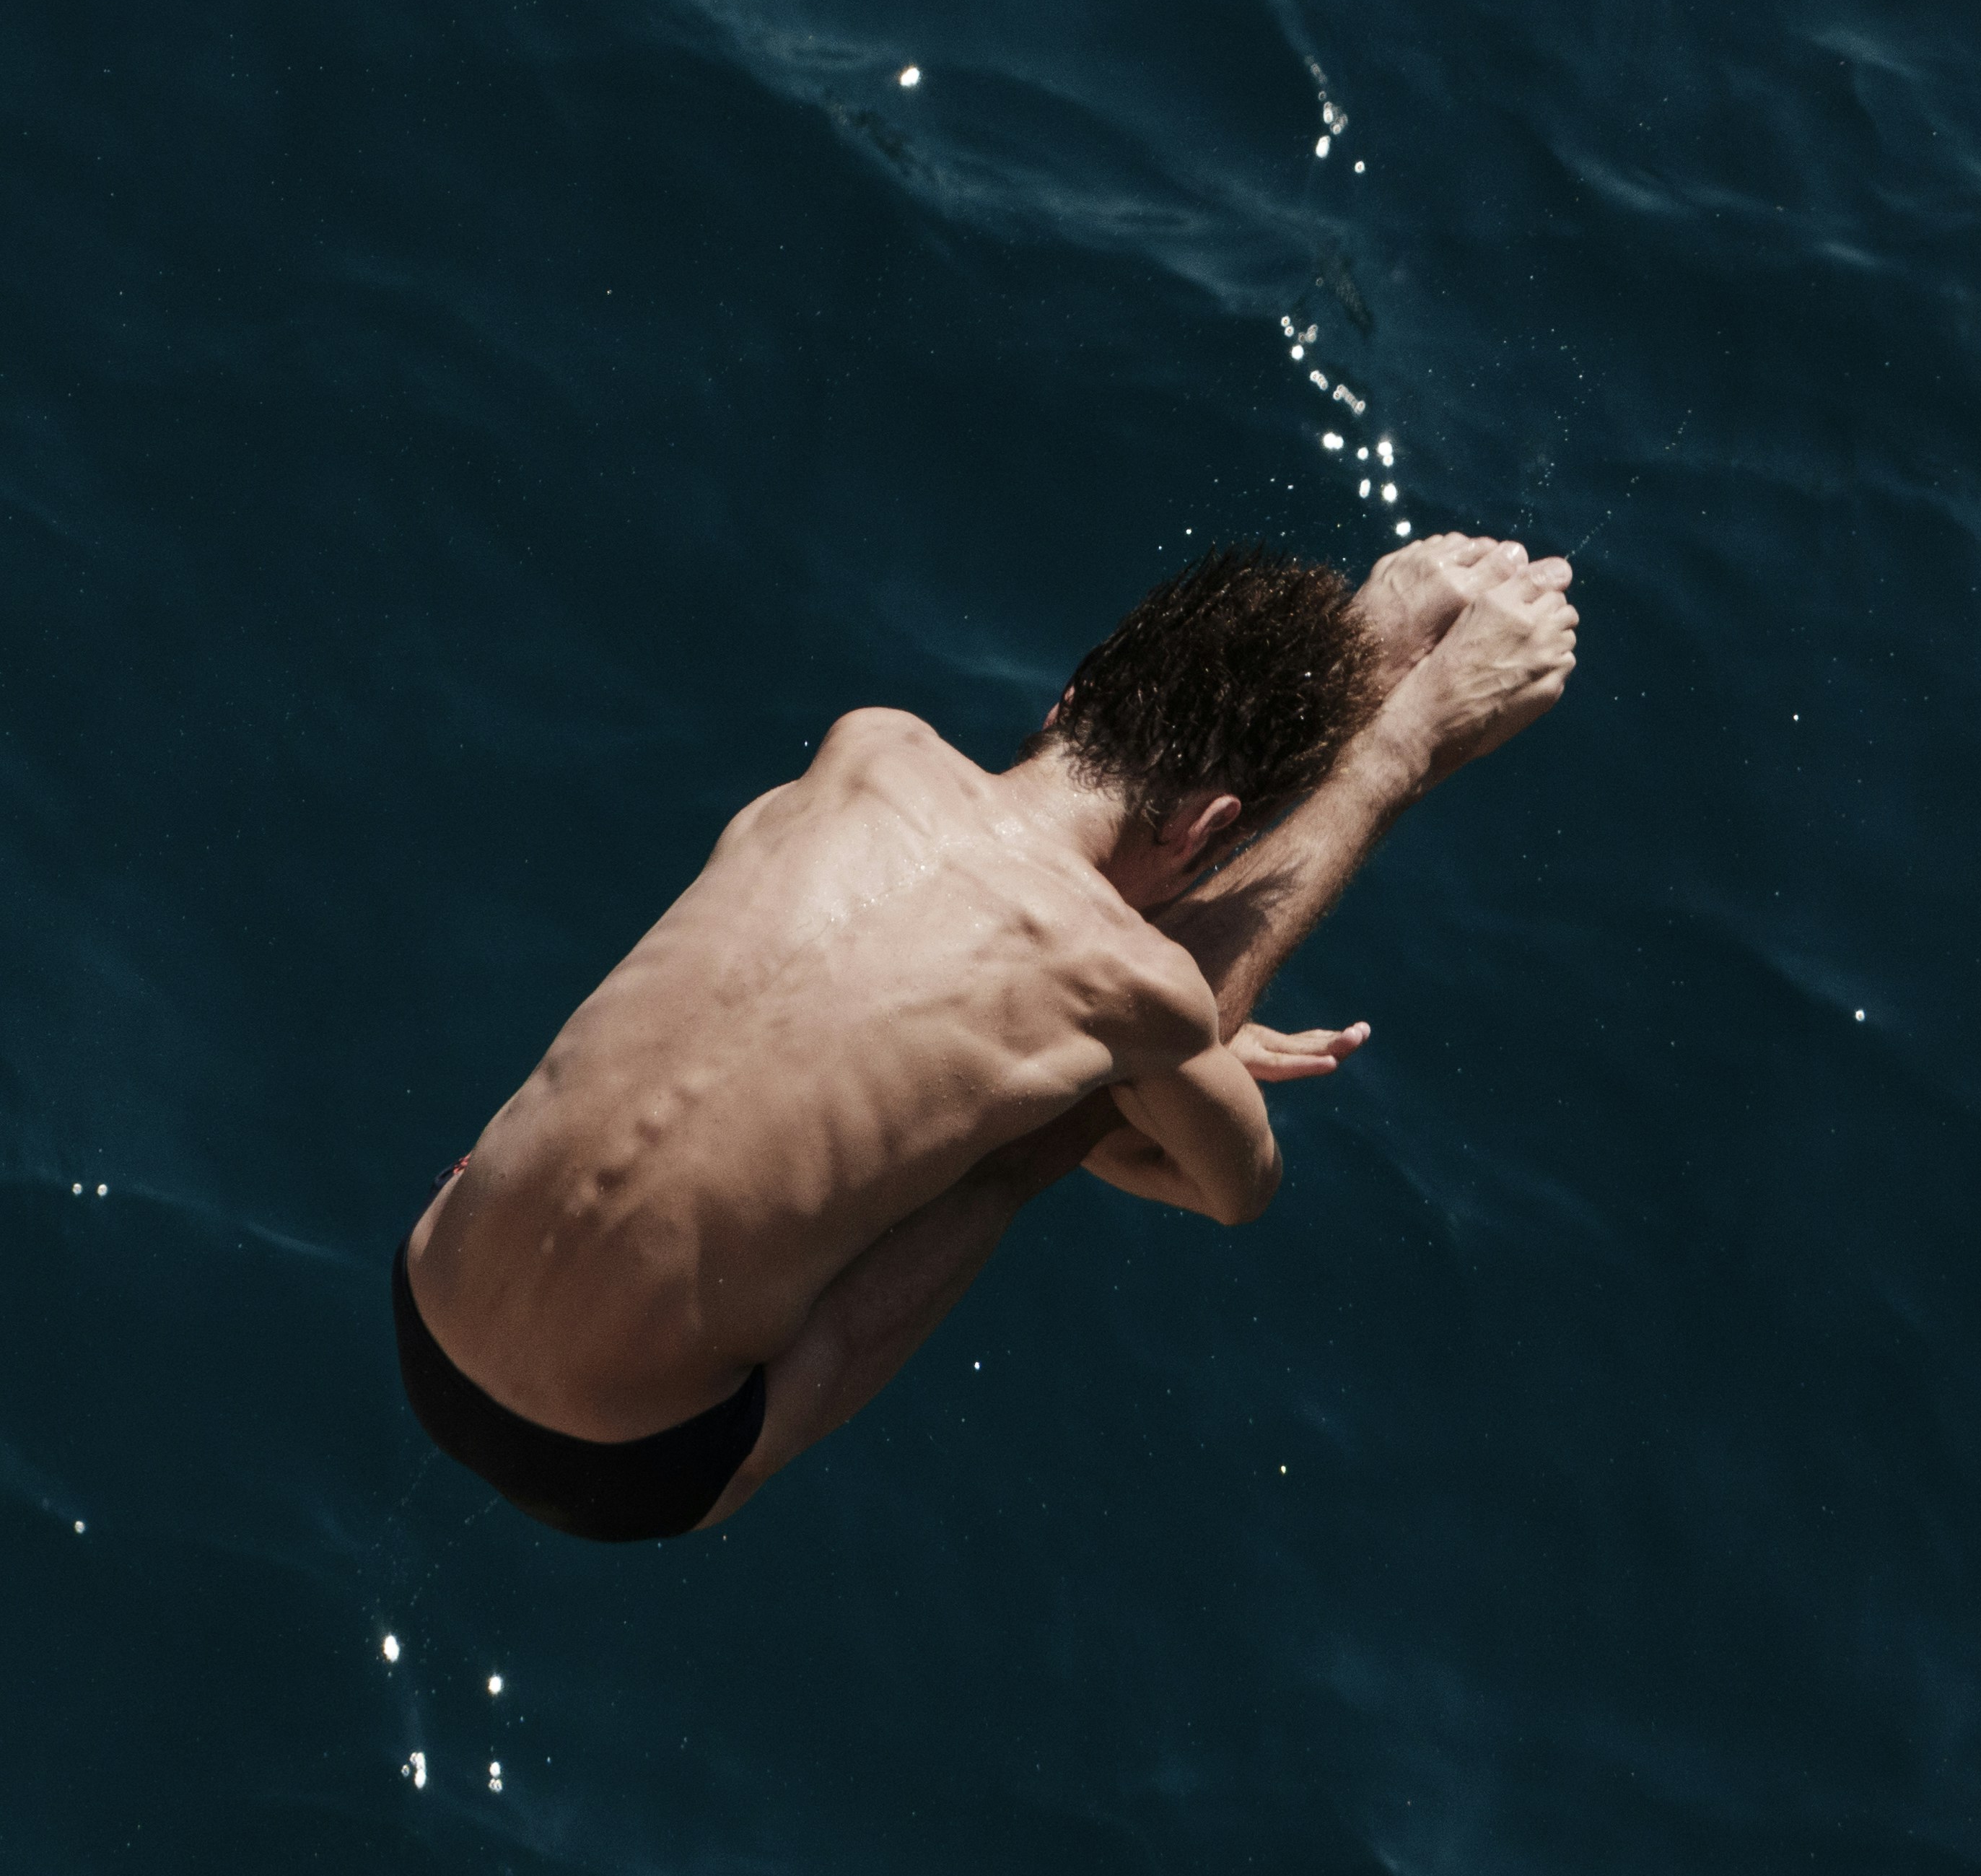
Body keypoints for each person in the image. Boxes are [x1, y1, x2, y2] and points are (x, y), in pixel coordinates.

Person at [391, 534, 1578, 1541]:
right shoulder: (1133, 987)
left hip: (429, 1284)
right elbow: (1234, 1185)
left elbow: (1022, 941)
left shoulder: (870, 748)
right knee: (1034, 1142)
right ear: (1216, 826)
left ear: (1069, 700)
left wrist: (1353, 651)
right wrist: (1396, 745)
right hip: (616, 1463)